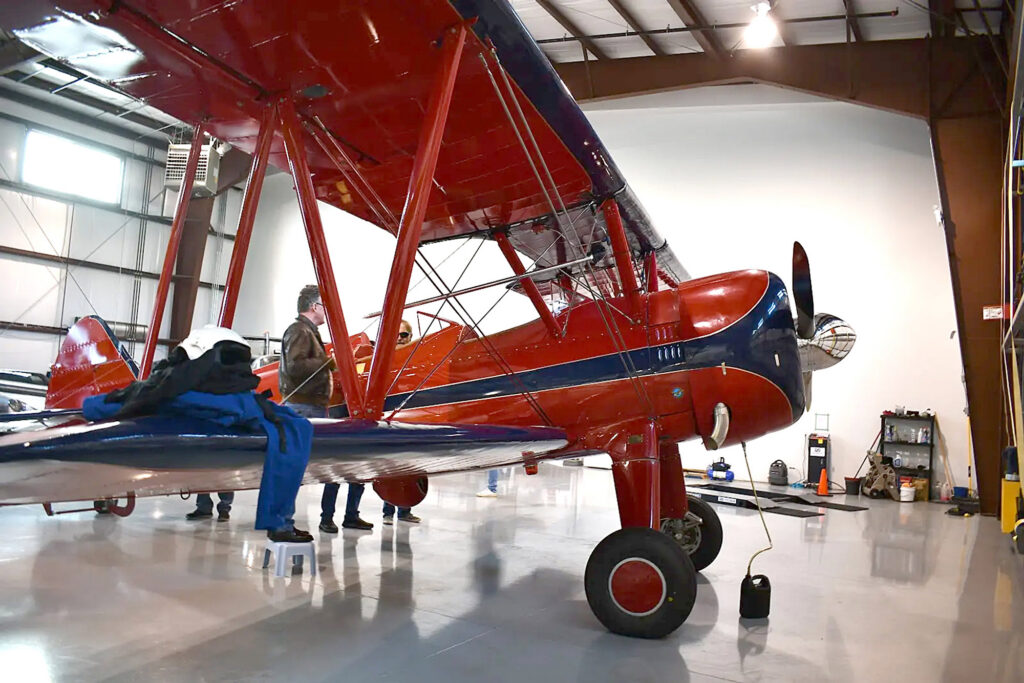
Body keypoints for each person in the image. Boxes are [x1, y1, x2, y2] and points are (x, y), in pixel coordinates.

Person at [280, 284, 373, 534]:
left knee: (300, 468)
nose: (326, 312)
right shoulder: (299, 331)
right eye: (324, 306)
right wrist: (328, 361)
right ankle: (282, 523)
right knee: (294, 470)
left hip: (311, 407)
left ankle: (285, 522)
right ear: (314, 307)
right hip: (304, 408)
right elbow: (295, 366)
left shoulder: (307, 331)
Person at [380, 320, 422, 526]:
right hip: (388, 418)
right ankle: (387, 511)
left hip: (410, 418)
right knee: (390, 466)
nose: (399, 339)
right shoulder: (384, 360)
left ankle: (404, 511)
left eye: (403, 335)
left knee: (409, 465)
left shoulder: (416, 359)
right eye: (395, 335)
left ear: (410, 337)